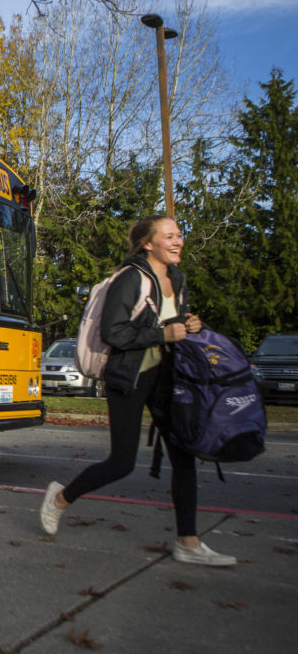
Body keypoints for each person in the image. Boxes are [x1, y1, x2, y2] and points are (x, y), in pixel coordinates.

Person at [39, 215, 236, 566]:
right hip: (130, 377)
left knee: (183, 457)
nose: (178, 241)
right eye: (169, 236)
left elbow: (169, 322)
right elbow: (115, 333)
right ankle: (60, 498)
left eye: (179, 234)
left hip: (169, 378)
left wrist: (188, 324)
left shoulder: (177, 277)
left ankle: (188, 543)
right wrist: (163, 334)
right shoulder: (131, 278)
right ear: (148, 243)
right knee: (122, 462)